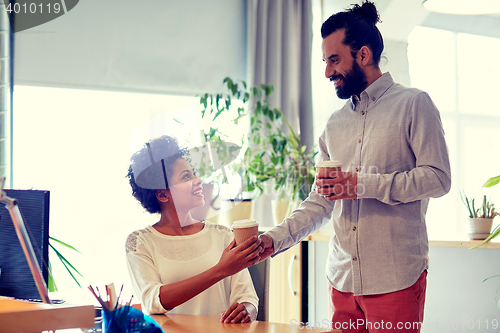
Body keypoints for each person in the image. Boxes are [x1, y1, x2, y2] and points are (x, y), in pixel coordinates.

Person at [258, 1, 451, 332]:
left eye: (334, 60)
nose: (327, 72)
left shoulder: (414, 104)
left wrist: (361, 184)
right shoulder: (334, 126)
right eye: (325, 61)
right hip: (342, 282)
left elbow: (437, 179)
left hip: (396, 279)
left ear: (363, 55)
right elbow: (322, 199)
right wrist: (274, 240)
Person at [125, 135, 260, 323]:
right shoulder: (140, 242)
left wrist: (246, 310)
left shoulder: (222, 235)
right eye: (186, 176)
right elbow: (153, 301)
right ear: (163, 194)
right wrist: (220, 270)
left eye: (194, 173)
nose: (198, 180)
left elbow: (248, 298)